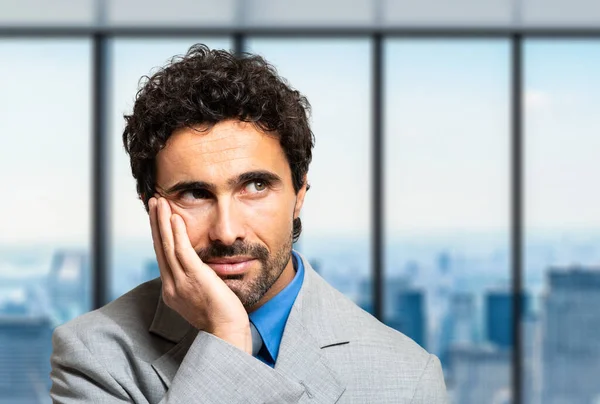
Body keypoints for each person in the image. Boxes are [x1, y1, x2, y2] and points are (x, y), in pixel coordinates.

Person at [50, 44, 448, 403]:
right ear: (149, 206)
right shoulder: (93, 357)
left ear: (300, 194)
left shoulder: (408, 379)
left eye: (255, 186)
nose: (226, 231)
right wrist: (226, 337)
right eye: (194, 193)